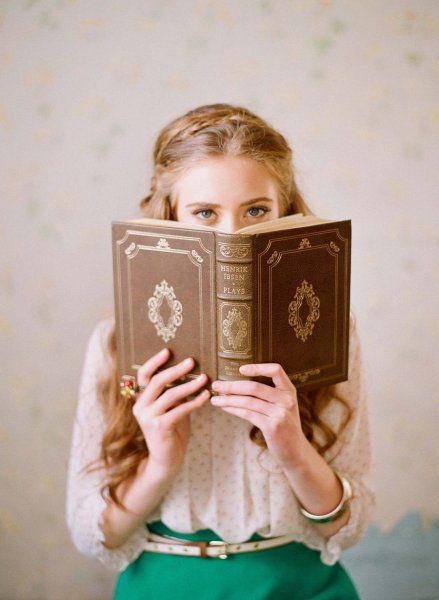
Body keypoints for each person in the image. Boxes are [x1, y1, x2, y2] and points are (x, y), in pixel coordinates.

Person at [66, 103, 375, 599]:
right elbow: (90, 534)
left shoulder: (334, 337)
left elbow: (350, 528)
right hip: (166, 585)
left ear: (285, 213)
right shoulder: (113, 343)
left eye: (256, 211)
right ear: (170, 218)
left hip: (302, 586)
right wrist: (161, 461)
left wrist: (291, 446)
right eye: (205, 213)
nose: (231, 235)